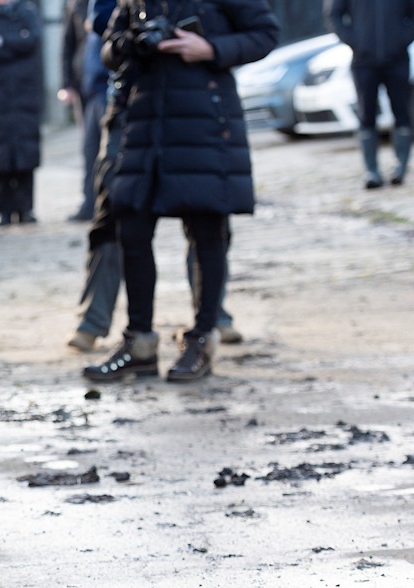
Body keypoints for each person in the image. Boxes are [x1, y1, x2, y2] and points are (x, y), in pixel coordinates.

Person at [83, 0, 277, 383]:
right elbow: (107, 47)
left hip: (204, 120)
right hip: (145, 122)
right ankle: (139, 343)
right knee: (132, 228)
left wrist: (211, 49)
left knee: (206, 231)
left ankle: (202, 339)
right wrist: (130, 44)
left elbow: (265, 34)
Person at [65, 0, 241, 353]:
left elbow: (255, 28)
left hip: (190, 102)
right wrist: (132, 37)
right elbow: (98, 30)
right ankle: (96, 319)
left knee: (203, 210)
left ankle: (211, 317)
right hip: (126, 102)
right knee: (115, 210)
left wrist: (210, 47)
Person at [325, 0, 414, 189]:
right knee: (366, 114)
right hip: (363, 61)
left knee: (402, 111)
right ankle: (372, 171)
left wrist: (402, 38)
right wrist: (356, 40)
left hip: (397, 59)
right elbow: (334, 15)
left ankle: (401, 167)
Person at [0, 0, 43, 226]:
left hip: (24, 93)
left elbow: (32, 40)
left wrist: (2, 41)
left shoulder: (28, 12)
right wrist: (17, 40)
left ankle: (26, 208)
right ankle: (3, 210)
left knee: (26, 153)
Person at [58, 0, 101, 222]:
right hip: (84, 84)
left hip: (107, 81)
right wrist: (67, 84)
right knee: (89, 147)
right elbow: (68, 45)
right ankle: (90, 201)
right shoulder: (75, 4)